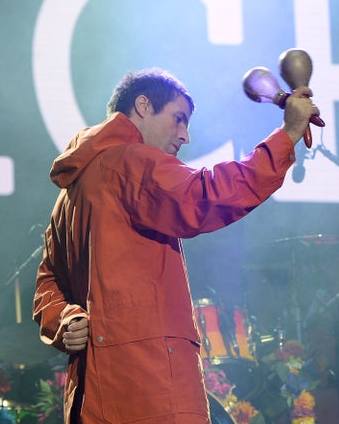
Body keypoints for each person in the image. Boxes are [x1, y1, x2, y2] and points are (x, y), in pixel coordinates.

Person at [33, 67, 319, 423]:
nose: (185, 135)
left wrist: (64, 319)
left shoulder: (69, 196)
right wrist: (287, 135)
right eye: (178, 119)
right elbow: (206, 196)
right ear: (142, 106)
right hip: (147, 387)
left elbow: (48, 282)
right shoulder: (129, 162)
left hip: (93, 393)